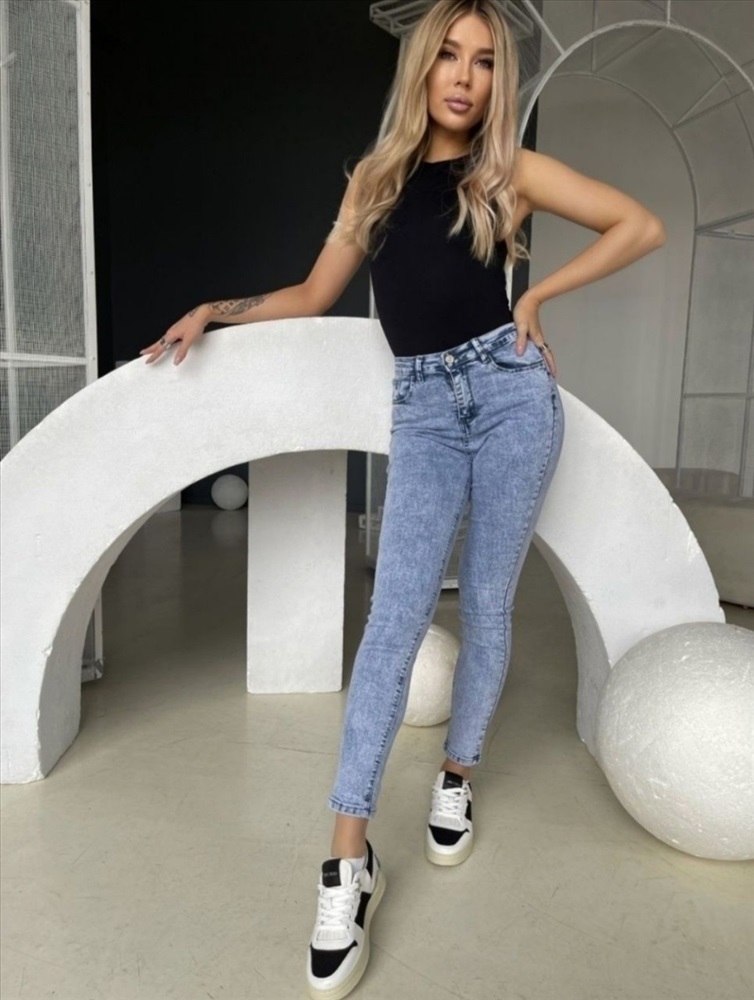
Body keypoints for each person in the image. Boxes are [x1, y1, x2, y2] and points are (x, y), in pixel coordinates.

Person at [140, 1, 666, 995]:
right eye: (449, 56)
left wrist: (535, 296)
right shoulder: (375, 182)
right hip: (422, 406)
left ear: (497, 80)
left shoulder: (507, 173)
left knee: (491, 603)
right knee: (392, 623)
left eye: (484, 61)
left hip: (512, 397)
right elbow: (311, 294)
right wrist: (214, 307)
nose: (464, 76)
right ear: (422, 68)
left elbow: (640, 225)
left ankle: (456, 779)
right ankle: (347, 860)